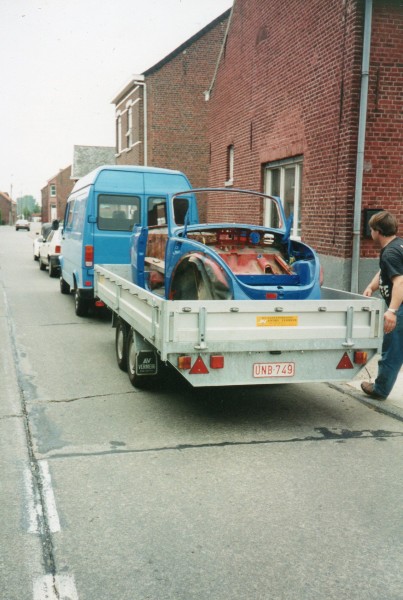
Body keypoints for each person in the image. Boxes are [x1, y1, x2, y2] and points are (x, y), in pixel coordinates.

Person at [361, 211, 403, 400]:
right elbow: (384, 272)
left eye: (371, 229)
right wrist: (372, 286)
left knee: (392, 351)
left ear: (377, 231)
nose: (370, 233)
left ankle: (380, 389)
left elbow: (400, 282)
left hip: (400, 308)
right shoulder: (397, 246)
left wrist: (392, 311)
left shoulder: (391, 252)